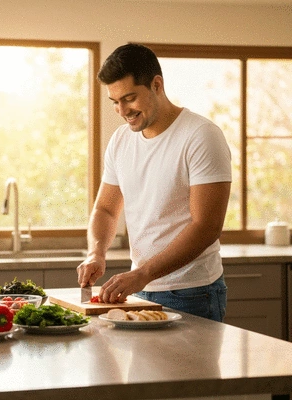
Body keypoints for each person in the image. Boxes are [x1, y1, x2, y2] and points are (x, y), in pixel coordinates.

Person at [77, 43, 232, 322]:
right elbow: (106, 210)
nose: (122, 110)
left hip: (192, 293)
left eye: (129, 98)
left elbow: (207, 226)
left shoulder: (201, 136)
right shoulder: (121, 141)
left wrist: (143, 274)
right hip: (138, 293)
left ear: (157, 85)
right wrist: (96, 253)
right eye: (115, 102)